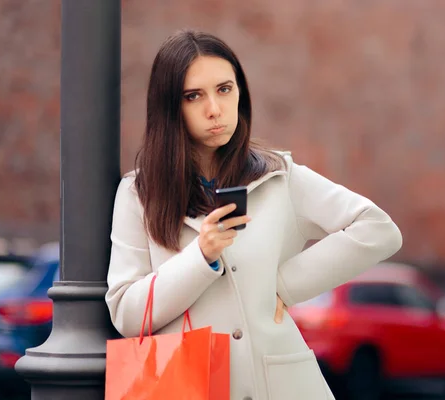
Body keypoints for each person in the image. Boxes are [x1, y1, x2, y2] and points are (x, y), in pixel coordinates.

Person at [105, 29, 402, 400]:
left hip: (275, 383)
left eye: (224, 89)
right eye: (194, 96)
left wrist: (284, 286)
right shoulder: (139, 193)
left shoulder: (279, 177)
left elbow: (379, 230)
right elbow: (127, 313)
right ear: (170, 107)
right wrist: (201, 255)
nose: (214, 109)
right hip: (185, 385)